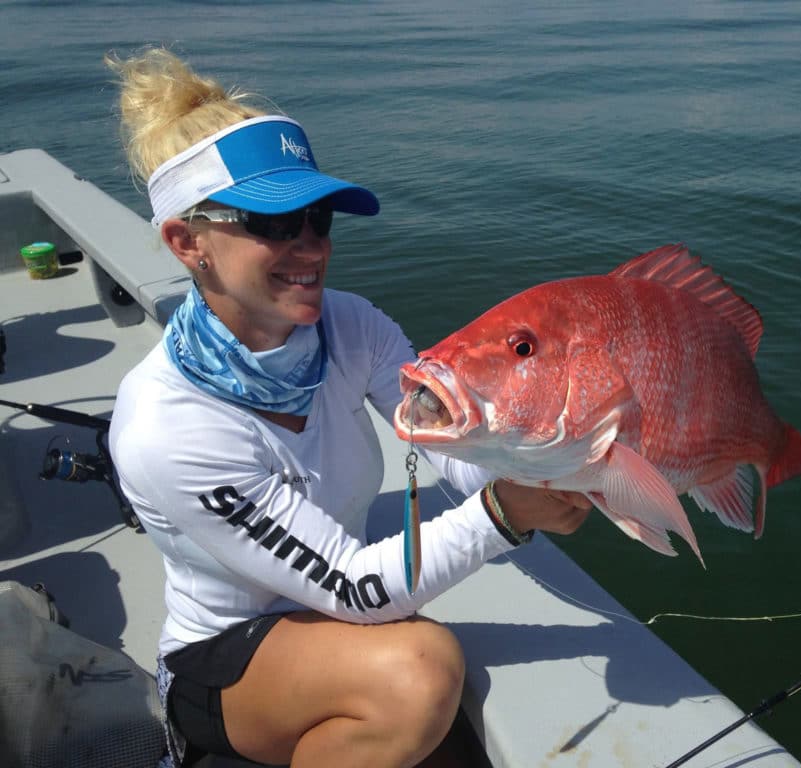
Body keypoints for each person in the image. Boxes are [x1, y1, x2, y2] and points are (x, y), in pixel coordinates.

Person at [105, 47, 591, 768]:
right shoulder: (167, 427)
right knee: (421, 673)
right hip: (228, 654)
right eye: (273, 223)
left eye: (318, 215)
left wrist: (547, 466)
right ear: (187, 242)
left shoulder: (351, 324)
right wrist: (505, 513)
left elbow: (449, 445)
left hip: (334, 622)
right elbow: (356, 588)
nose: (310, 246)